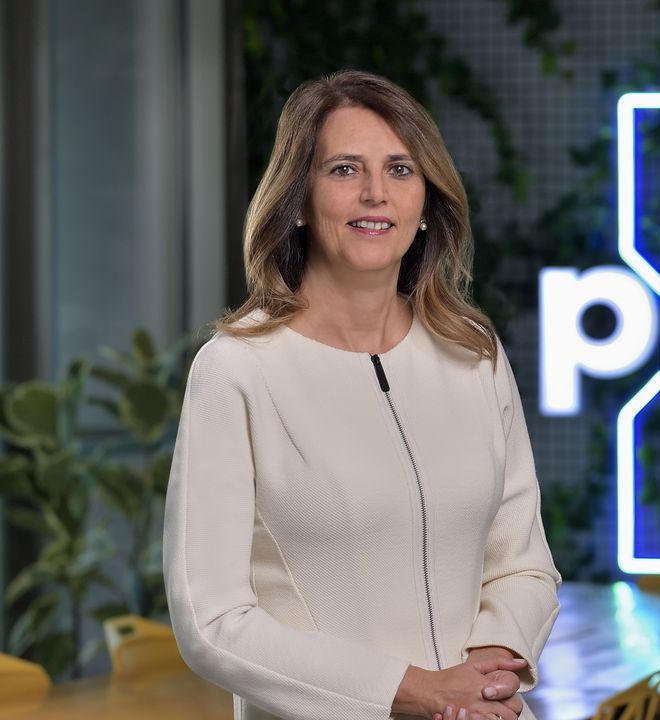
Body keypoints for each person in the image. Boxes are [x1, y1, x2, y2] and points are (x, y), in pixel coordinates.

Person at [162, 70, 561, 720]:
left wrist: (482, 679)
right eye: (345, 169)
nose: (376, 193)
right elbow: (213, 623)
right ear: (298, 199)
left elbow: (522, 565)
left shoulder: (473, 355)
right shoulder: (236, 370)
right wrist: (418, 690)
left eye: (400, 170)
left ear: (425, 202)